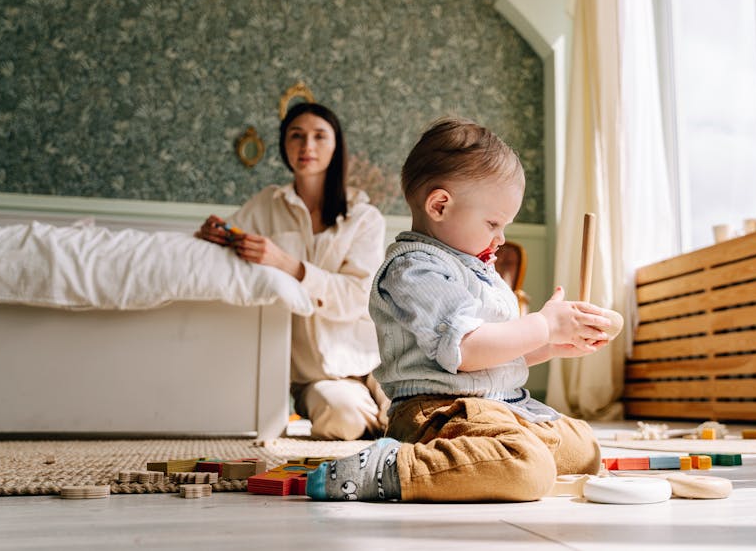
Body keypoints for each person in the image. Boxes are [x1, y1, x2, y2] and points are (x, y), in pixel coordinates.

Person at [306, 116, 624, 502]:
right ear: (440, 205)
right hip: (439, 413)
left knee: (584, 449)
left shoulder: (476, 268)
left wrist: (554, 343)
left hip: (496, 407)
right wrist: (542, 324)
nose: (500, 237)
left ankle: (484, 463)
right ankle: (391, 468)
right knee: (527, 467)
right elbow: (468, 351)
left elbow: (496, 353)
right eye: (493, 222)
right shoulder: (414, 268)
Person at [196, 102, 388, 440]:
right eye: (296, 136)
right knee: (342, 421)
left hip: (372, 360)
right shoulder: (266, 205)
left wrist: (287, 264)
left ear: (336, 145)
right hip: (316, 376)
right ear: (284, 145)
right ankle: (378, 420)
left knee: (412, 414)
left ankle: (387, 414)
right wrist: (211, 234)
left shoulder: (364, 216)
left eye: (319, 136)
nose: (307, 146)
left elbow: (357, 297)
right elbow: (230, 239)